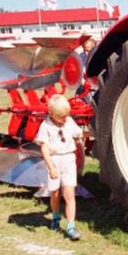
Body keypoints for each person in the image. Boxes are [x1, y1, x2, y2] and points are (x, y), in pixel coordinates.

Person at [36, 94, 85, 241]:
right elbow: (44, 148)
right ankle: (56, 217)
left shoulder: (69, 122)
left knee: (69, 194)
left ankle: (70, 226)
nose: (64, 118)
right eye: (61, 116)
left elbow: (78, 135)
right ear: (51, 113)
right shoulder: (46, 126)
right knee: (55, 194)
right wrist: (51, 167)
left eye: (66, 115)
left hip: (68, 159)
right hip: (55, 160)